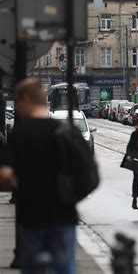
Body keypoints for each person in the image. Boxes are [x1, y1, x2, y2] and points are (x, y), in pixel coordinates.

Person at [1, 78, 93, 273]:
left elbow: (5, 175)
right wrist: (70, 198)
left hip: (31, 218)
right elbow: (90, 176)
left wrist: (19, 185)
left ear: (25, 99)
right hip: (63, 217)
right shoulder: (67, 131)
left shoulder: (20, 132)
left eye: (17, 102)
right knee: (63, 268)